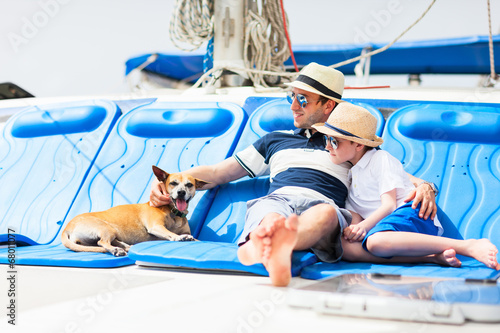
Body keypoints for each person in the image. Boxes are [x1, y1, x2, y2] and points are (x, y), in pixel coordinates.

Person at [150, 63, 438, 286]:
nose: (292, 105)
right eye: (292, 97)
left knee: (325, 214)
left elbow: (396, 175)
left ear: (328, 105)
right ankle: (272, 241)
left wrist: (426, 186)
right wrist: (168, 183)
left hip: (325, 205)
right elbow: (217, 172)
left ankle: (269, 245)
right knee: (270, 213)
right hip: (281, 197)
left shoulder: (348, 145)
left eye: (303, 99)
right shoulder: (275, 140)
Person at [311, 102, 500, 270]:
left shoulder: (379, 159)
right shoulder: (352, 173)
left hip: (411, 214)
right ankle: (432, 258)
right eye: (326, 139)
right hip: (384, 226)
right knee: (347, 249)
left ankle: (467, 246)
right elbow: (357, 213)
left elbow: (389, 205)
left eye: (334, 141)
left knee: (376, 242)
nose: (328, 146)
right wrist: (352, 229)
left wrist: (363, 227)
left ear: (359, 145)